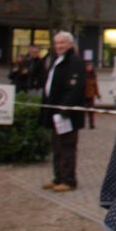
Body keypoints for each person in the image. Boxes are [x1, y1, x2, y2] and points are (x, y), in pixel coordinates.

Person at [40, 31, 87, 192]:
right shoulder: (56, 60)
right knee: (57, 146)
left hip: (66, 113)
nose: (59, 46)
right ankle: (58, 177)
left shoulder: (75, 62)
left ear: (70, 44)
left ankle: (69, 180)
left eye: (63, 43)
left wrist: (64, 109)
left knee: (67, 146)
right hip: (53, 111)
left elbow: (75, 88)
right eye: (57, 43)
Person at [84, 61, 100, 129]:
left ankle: (91, 124)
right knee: (82, 110)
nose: (89, 68)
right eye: (88, 66)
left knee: (91, 110)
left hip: (91, 95)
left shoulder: (93, 76)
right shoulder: (83, 75)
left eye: (90, 66)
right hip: (84, 95)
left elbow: (96, 86)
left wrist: (98, 94)